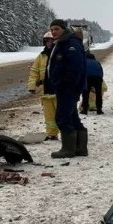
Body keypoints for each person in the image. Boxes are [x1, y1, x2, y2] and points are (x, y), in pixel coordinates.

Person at [46, 19, 88, 158]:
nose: (53, 32)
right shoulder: (62, 42)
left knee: (62, 116)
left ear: (64, 29)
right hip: (65, 88)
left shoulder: (71, 43)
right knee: (72, 116)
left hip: (68, 88)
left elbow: (76, 68)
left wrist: (66, 84)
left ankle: (68, 149)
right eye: (52, 29)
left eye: (56, 29)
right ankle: (80, 148)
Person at [27, 31, 59, 141]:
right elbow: (34, 71)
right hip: (45, 90)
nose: (49, 43)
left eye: (51, 41)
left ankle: (67, 135)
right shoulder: (41, 56)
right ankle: (51, 134)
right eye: (47, 41)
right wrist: (32, 86)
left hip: (58, 90)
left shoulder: (60, 54)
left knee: (62, 114)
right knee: (49, 116)